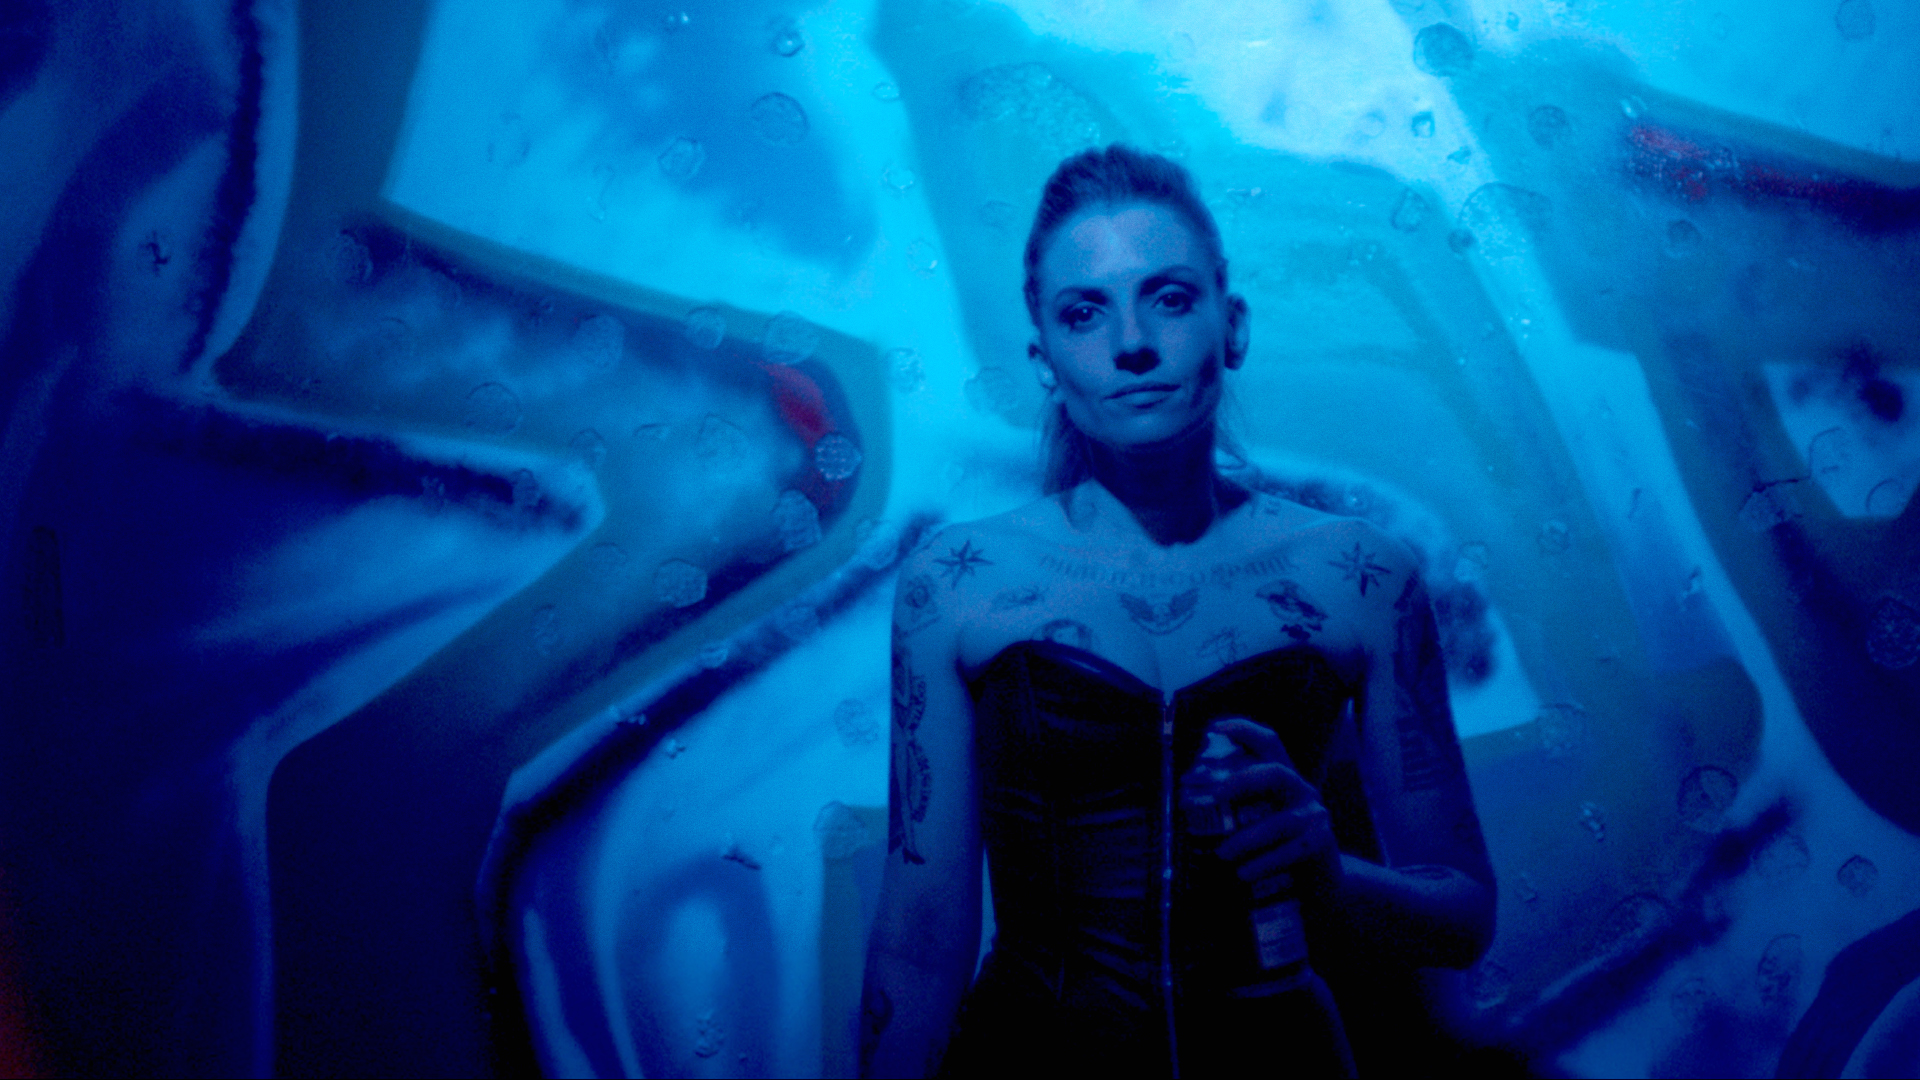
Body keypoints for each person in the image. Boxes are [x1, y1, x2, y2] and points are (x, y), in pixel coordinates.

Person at [858, 144, 1494, 1077]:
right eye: (1084, 312)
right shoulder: (956, 585)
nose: (1131, 344)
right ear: (1044, 360)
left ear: (1232, 327)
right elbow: (919, 943)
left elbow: (1464, 915)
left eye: (1168, 297)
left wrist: (1330, 874)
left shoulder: (1361, 577)